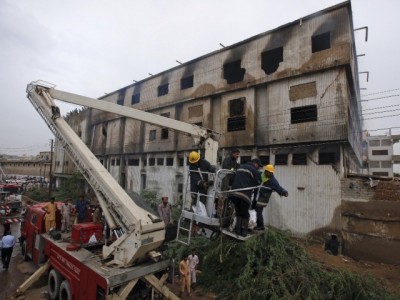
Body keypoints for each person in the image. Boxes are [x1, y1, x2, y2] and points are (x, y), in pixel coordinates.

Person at [229, 158, 262, 237]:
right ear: (255, 164)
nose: (258, 168)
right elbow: (256, 187)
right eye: (258, 166)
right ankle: (244, 233)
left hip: (234, 194)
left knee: (239, 212)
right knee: (245, 214)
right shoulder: (255, 171)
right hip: (244, 195)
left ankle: (238, 231)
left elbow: (232, 179)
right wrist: (254, 201)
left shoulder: (240, 167)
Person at [254, 164, 288, 230]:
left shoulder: (272, 181)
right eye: (267, 172)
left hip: (264, 197)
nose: (268, 173)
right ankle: (257, 224)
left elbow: (278, 187)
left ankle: (260, 226)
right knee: (256, 209)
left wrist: (284, 192)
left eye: (270, 172)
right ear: (265, 171)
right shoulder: (262, 175)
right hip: (258, 195)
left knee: (258, 210)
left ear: (272, 172)